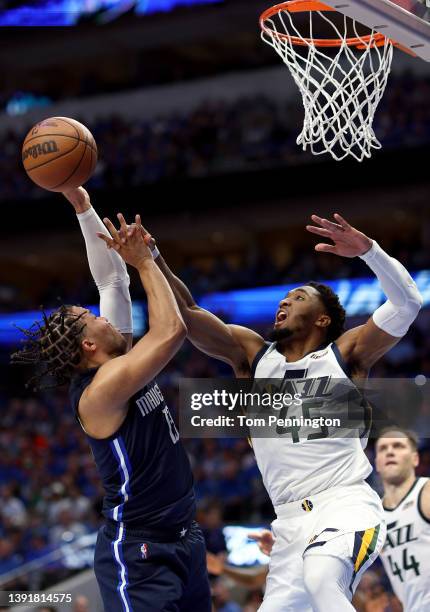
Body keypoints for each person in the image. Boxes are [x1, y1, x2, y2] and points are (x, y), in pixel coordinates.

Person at [140, 213, 423, 611]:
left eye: (298, 298)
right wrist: (151, 257)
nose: (285, 301)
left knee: (324, 577)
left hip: (344, 504)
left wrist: (369, 252)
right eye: (284, 298)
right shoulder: (251, 356)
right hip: (289, 525)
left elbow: (407, 302)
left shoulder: (344, 355)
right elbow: (185, 312)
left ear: (322, 319)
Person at [11, 188, 211, 612]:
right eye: (93, 317)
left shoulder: (117, 358)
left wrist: (81, 204)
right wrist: (145, 261)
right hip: (140, 552)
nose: (102, 315)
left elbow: (111, 280)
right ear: (88, 345)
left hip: (183, 537)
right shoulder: (101, 391)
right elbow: (171, 331)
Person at [375, 427, 430, 611]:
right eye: (383, 448)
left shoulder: (427, 492)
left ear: (415, 458)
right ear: (376, 463)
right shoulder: (373, 517)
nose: (390, 451)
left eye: (398, 446)